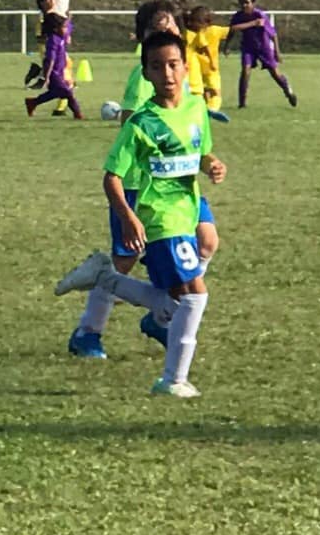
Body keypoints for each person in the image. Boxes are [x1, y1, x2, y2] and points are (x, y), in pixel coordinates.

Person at [55, 31, 226, 399]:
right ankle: (172, 380)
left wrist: (212, 164)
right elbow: (112, 177)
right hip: (159, 216)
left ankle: (105, 276)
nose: (166, 73)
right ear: (146, 74)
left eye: (173, 64)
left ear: (184, 66)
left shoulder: (196, 107)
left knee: (177, 301)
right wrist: (130, 217)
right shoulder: (140, 124)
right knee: (195, 296)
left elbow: (201, 152)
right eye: (157, 66)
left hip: (187, 210)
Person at [224, 0, 296, 109]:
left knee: (275, 74)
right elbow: (233, 29)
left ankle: (288, 90)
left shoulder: (260, 15)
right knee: (245, 71)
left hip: (264, 47)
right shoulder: (238, 16)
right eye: (242, 3)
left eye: (247, 2)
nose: (244, 5)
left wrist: (277, 52)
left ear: (253, 3)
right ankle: (242, 103)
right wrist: (227, 46)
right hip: (248, 48)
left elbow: (273, 34)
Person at [24, 13, 82, 119]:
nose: (66, 30)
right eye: (64, 27)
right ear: (56, 29)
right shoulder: (53, 41)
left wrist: (68, 16)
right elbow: (50, 60)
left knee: (56, 93)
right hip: (54, 73)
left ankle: (32, 102)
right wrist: (47, 77)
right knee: (67, 92)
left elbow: (67, 25)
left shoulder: (61, 34)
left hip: (61, 71)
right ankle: (78, 115)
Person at [186, 6, 228, 112]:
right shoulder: (202, 33)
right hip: (207, 66)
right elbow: (205, 47)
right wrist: (212, 60)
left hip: (197, 65)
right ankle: (212, 109)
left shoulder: (189, 33)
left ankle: (204, 108)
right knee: (215, 91)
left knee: (204, 89)